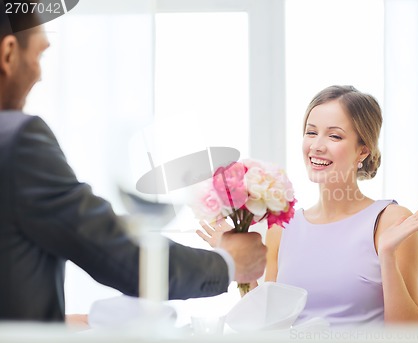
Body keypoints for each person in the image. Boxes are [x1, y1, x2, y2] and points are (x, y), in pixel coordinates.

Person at [0, 6, 267, 322]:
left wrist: (67, 323)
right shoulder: (19, 140)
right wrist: (228, 264)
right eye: (40, 56)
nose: (40, 74)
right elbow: (116, 253)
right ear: (9, 53)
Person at [197, 85, 418, 327]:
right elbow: (267, 327)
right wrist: (239, 263)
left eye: (334, 136)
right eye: (311, 133)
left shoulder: (390, 221)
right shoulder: (282, 229)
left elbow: (408, 335)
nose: (316, 146)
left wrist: (386, 255)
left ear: (363, 151)